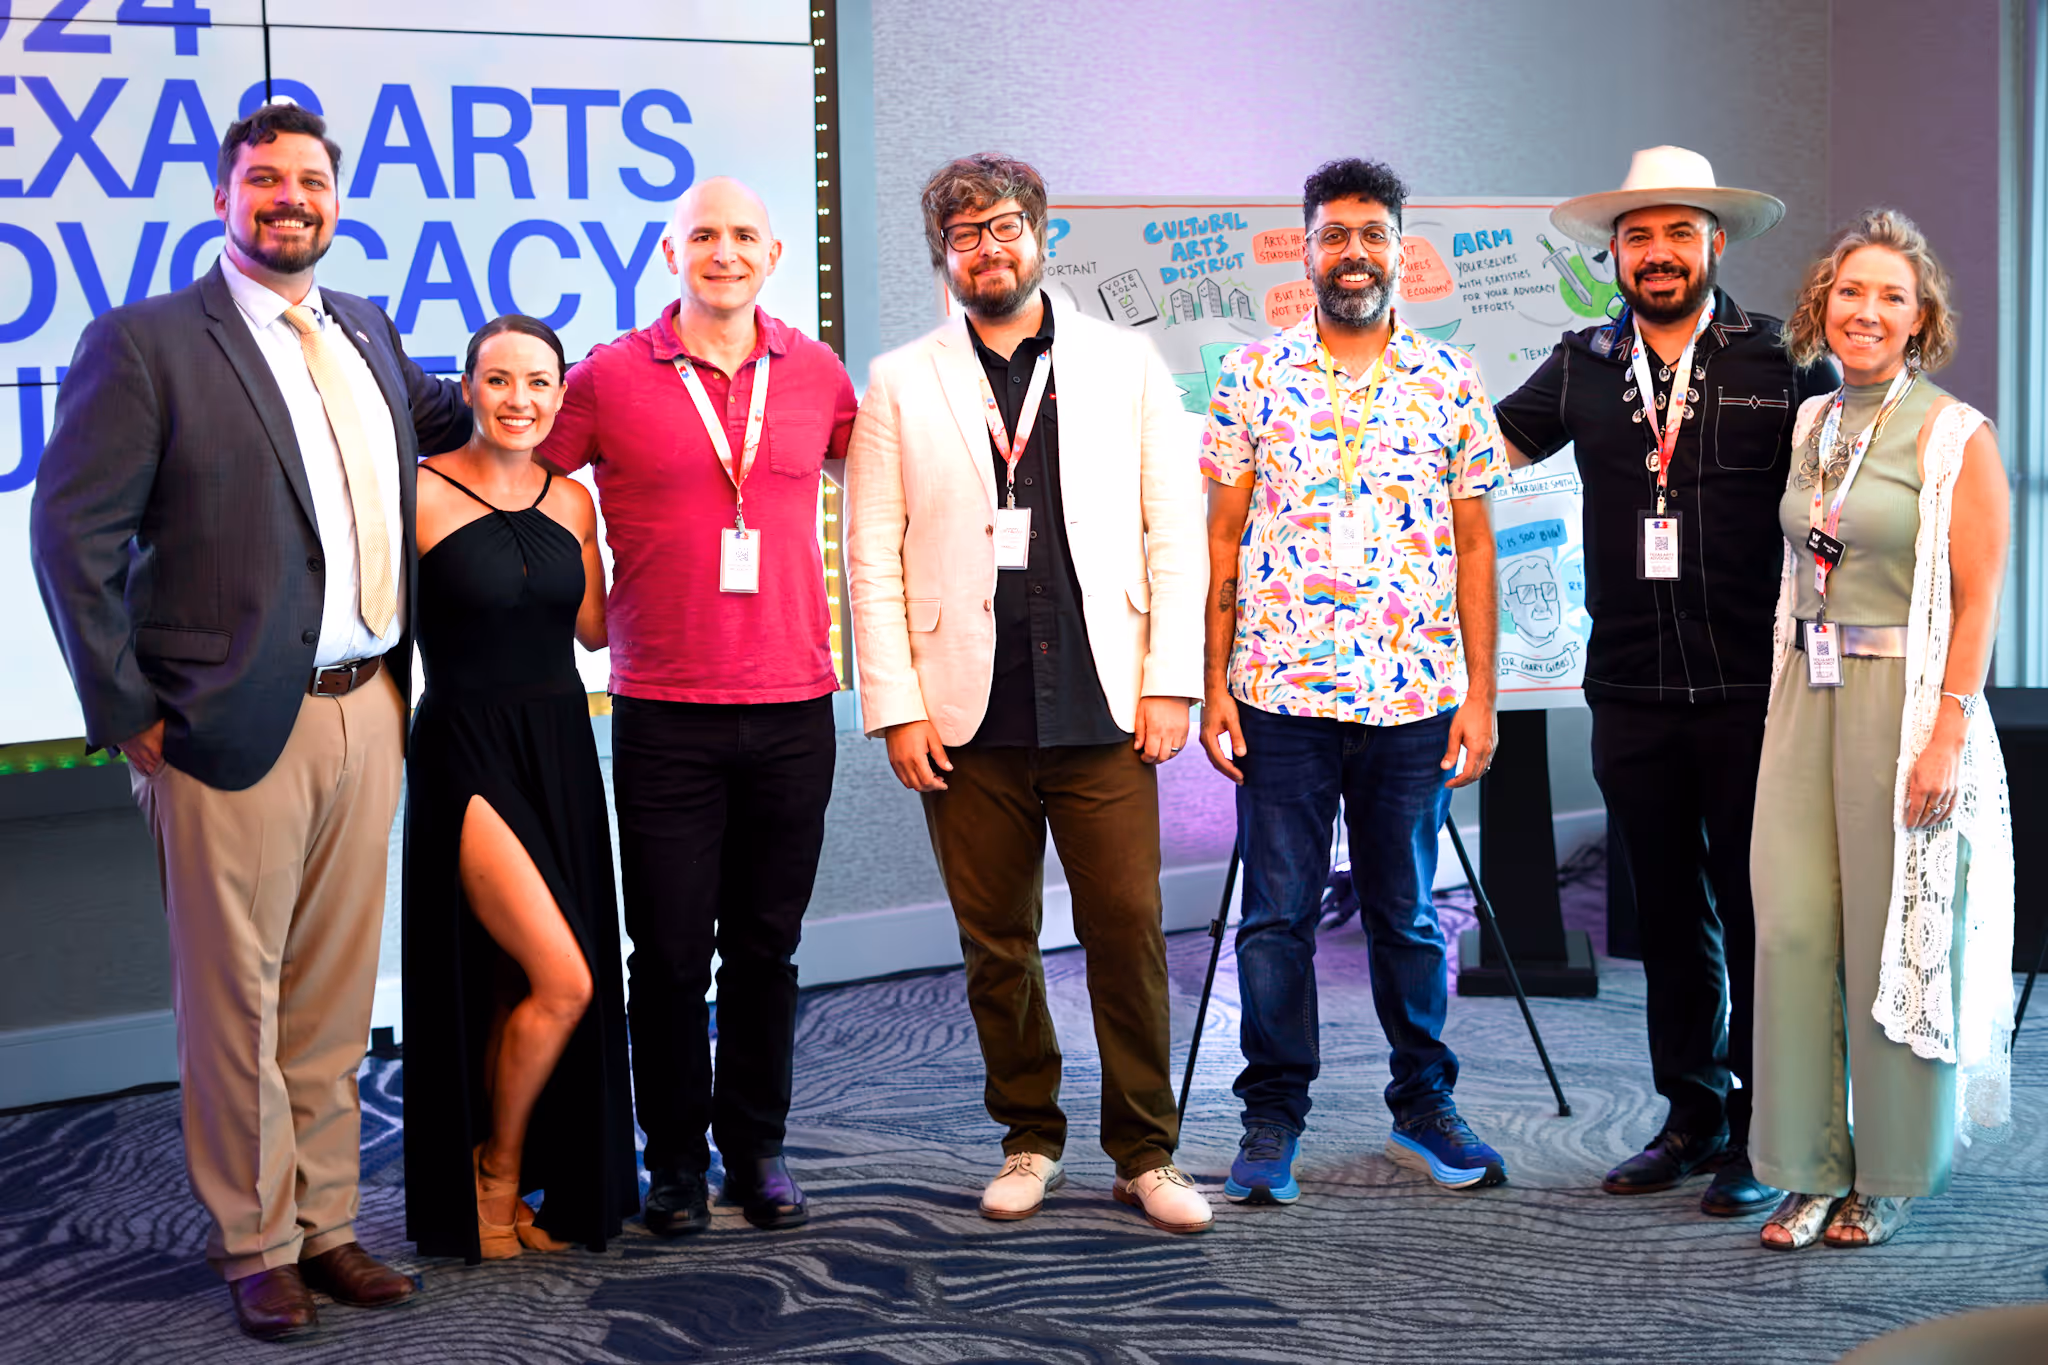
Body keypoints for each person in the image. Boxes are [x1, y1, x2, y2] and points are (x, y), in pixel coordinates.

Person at [28, 103, 470, 1341]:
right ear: (223, 196)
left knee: (334, 997)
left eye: (311, 180)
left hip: (368, 706)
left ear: (338, 199)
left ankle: (326, 1224)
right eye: (264, 178)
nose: (290, 198)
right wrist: (128, 712)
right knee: (236, 1009)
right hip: (220, 724)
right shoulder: (147, 342)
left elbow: (473, 414)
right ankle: (255, 1243)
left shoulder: (367, 329)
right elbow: (71, 538)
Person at [845, 153, 1211, 1233]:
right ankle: (1029, 1137)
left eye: (1004, 227)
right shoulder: (899, 381)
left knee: (1127, 931)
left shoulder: (1124, 361)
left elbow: (1174, 531)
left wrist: (1171, 682)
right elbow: (870, 555)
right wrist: (896, 706)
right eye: (964, 236)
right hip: (967, 714)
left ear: (1039, 236)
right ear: (943, 257)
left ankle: (1146, 1152)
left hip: (1104, 704)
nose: (987, 250)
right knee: (995, 941)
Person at [1492, 147, 1836, 1216]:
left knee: (1758, 911)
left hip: (1753, 691)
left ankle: (1766, 1129)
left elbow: (1850, 499)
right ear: (1614, 253)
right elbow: (1479, 453)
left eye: (1677, 233)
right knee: (1666, 917)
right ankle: (1689, 1115)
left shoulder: (1787, 360)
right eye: (1636, 236)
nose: (1656, 253)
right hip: (1629, 689)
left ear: (1714, 244)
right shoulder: (1581, 363)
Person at [537, 176, 857, 1235]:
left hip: (795, 703)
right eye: (703, 235)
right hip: (663, 707)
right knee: (669, 956)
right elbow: (525, 483)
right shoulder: (606, 376)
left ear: (773, 255)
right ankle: (672, 1159)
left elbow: (896, 485)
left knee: (766, 948)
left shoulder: (816, 373)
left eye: (744, 236)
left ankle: (756, 1149)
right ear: (670, 253)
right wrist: (571, 601)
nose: (725, 252)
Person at [1198, 157, 1507, 1204]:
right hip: (1278, 696)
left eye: (1372, 233)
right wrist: (1211, 687)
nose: (1353, 252)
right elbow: (1223, 539)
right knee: (1275, 918)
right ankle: (1271, 1114)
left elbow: (1474, 546)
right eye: (1333, 234)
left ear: (1400, 250)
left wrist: (1479, 696)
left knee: (1407, 916)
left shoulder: (1449, 379)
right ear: (1305, 251)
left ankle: (1423, 1106)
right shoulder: (1252, 376)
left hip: (1412, 698)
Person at [1749, 210, 2014, 1250]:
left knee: (1891, 936)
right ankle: (1804, 1164)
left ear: (1919, 319)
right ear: (1823, 306)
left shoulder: (1955, 435)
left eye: (1889, 297)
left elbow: (1978, 599)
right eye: (1849, 291)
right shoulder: (1812, 420)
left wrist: (1946, 733)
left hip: (1904, 702)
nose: (1866, 311)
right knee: (1791, 930)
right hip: (1802, 694)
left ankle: (1890, 1170)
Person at [400, 315, 638, 1263]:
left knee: (515, 976)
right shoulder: (418, 492)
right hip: (467, 753)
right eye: (498, 380)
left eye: (539, 382)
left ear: (560, 394)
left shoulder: (573, 501)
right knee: (565, 978)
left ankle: (521, 1170)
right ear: (467, 387)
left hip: (561, 749)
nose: (519, 399)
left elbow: (594, 629)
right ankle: (492, 1171)